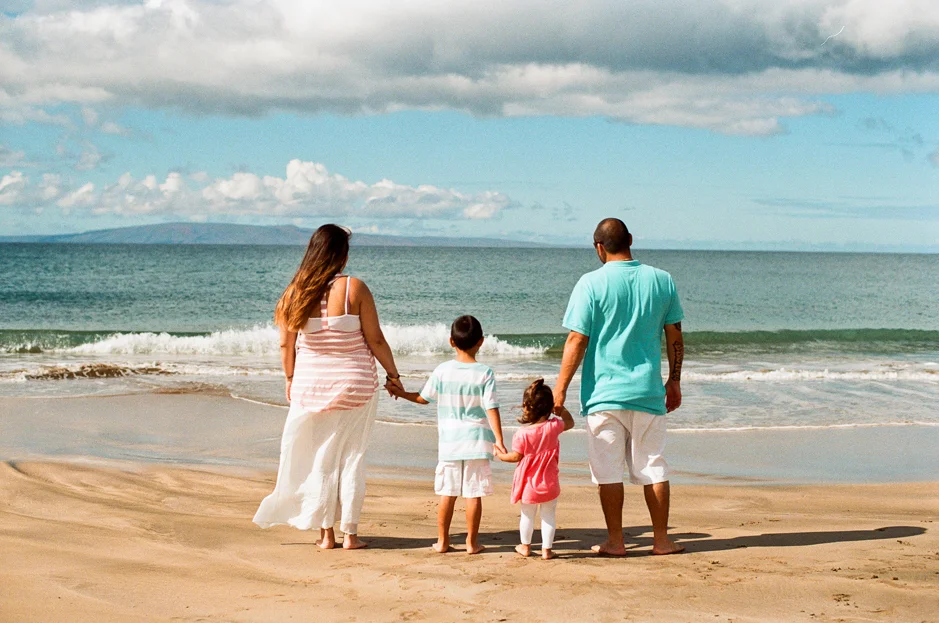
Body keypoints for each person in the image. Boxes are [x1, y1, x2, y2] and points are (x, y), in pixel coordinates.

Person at [253, 224, 403, 550]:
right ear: (341, 255)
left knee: (321, 460)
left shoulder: (294, 293)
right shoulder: (354, 288)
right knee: (352, 457)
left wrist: (290, 379)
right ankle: (350, 534)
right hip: (356, 386)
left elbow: (286, 346)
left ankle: (327, 536)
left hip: (310, 388)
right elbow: (375, 339)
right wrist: (394, 374)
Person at [553, 217, 685, 557]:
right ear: (629, 239)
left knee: (607, 471)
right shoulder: (662, 280)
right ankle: (661, 540)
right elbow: (675, 335)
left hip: (603, 396)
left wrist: (560, 389)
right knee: (653, 465)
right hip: (647, 391)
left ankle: (616, 541)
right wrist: (674, 380)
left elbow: (576, 339)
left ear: (599, 247)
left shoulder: (590, 284)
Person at [389, 315, 506, 554]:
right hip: (477, 441)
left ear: (451, 341)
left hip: (450, 444)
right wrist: (499, 440)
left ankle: (442, 541)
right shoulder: (485, 373)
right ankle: (472, 543)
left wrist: (400, 393)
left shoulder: (443, 370)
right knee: (473, 494)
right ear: (481, 342)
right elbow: (491, 407)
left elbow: (423, 398)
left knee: (447, 493)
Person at [496, 379, 575, 560]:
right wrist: (561, 410)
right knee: (548, 516)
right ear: (549, 407)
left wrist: (500, 456)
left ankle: (525, 547)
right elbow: (570, 422)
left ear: (527, 407)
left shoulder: (522, 434)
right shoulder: (554, 426)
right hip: (550, 483)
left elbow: (516, 457)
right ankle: (546, 550)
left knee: (527, 516)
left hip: (528, 485)